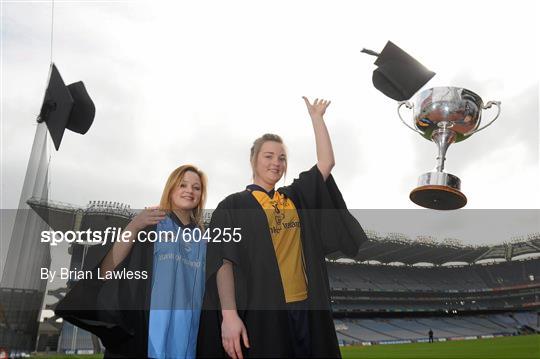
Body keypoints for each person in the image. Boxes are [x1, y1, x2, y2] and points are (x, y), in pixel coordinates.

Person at [197, 97, 368, 358]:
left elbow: (326, 163)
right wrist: (229, 316)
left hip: (306, 309)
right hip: (263, 314)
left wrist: (317, 119)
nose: (276, 163)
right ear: (253, 159)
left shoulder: (294, 197)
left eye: (282, 158)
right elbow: (223, 262)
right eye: (268, 156)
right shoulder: (232, 205)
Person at [56, 165, 208, 358]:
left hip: (189, 332)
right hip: (144, 332)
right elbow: (108, 271)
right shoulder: (151, 226)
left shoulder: (204, 240)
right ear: (170, 189)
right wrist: (134, 226)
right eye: (183, 185)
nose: (189, 191)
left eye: (196, 187)